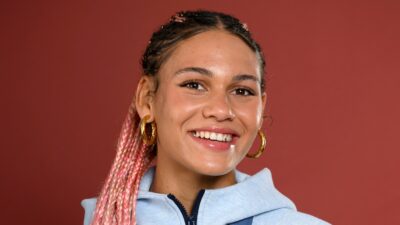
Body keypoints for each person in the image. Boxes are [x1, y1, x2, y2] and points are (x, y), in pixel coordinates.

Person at [81, 10, 330, 225]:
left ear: (261, 107)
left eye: (242, 91)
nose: (222, 110)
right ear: (147, 99)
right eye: (194, 85)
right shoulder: (104, 220)